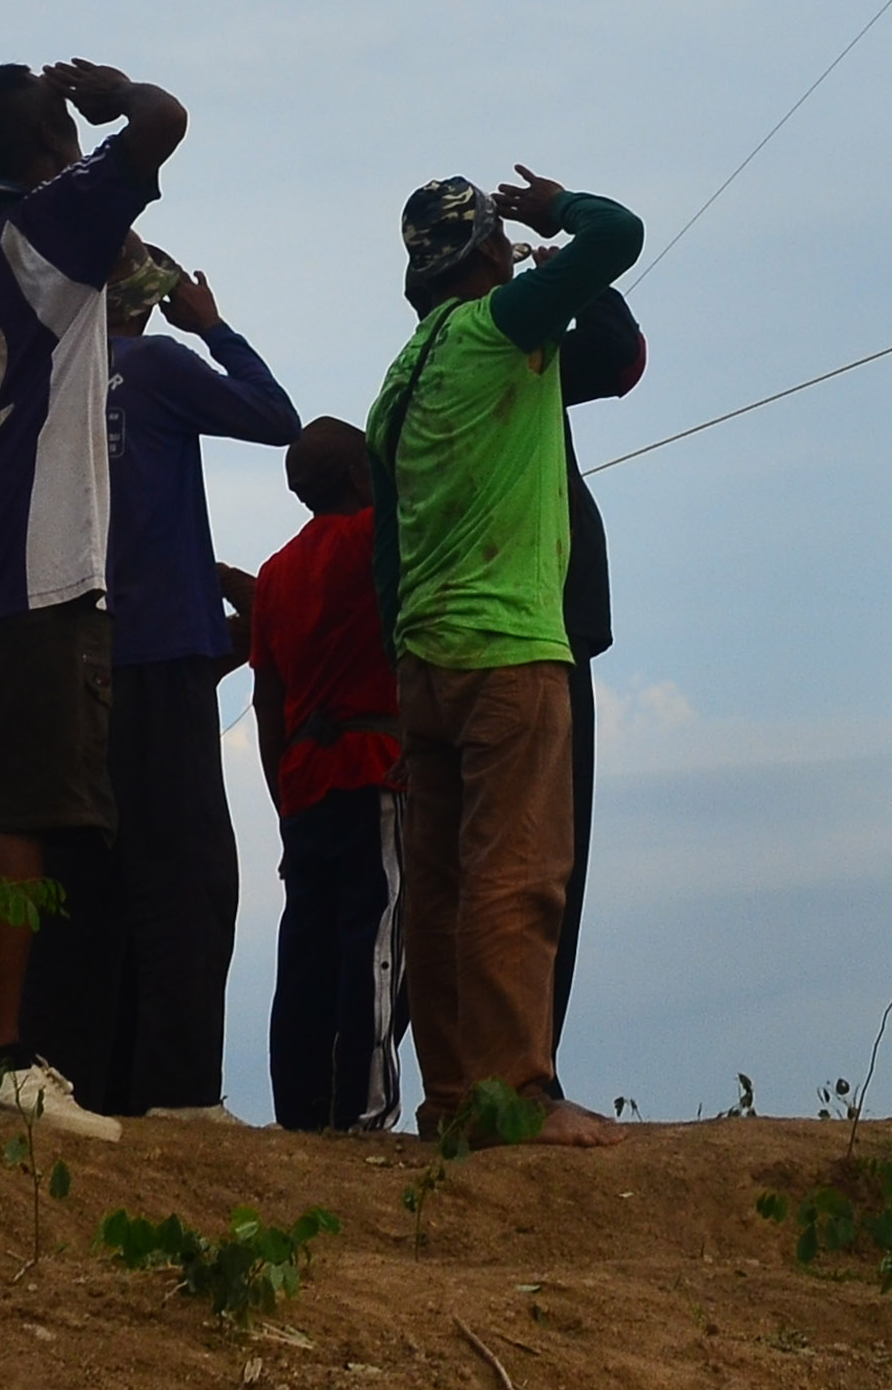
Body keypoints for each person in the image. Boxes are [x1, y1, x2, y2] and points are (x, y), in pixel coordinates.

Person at [0, 57, 182, 1134]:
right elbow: (162, 122)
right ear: (52, 145)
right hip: (42, 562)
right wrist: (116, 93)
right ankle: (4, 1056)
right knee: (16, 806)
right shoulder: (56, 223)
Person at [368, 167, 641, 1148]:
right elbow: (618, 234)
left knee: (439, 890)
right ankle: (520, 1093)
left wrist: (404, 655)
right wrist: (555, 213)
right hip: (512, 650)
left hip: (424, 664)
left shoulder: (395, 382)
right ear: (488, 253)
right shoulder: (501, 329)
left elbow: (385, 552)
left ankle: (450, 1100)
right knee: (514, 876)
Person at [25, 243, 294, 1118]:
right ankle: (177, 1090)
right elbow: (275, 415)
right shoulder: (156, 364)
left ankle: (84, 1081)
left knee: (85, 876)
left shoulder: (48, 378)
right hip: (164, 658)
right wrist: (213, 326)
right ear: (148, 299)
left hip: (69, 655)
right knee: (186, 874)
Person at [248, 416, 405, 1131]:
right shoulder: (381, 537)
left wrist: (283, 803)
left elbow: (267, 700)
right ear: (353, 475)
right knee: (371, 941)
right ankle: (362, 1112)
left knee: (305, 952)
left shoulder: (277, 573)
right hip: (374, 769)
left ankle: (300, 1114)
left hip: (304, 784)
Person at [544, 284, 646, 1085]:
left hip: (481, 633)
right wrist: (573, 268)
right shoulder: (513, 350)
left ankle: (487, 1073)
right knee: (549, 864)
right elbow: (622, 355)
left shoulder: (422, 370)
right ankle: (527, 1071)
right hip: (544, 631)